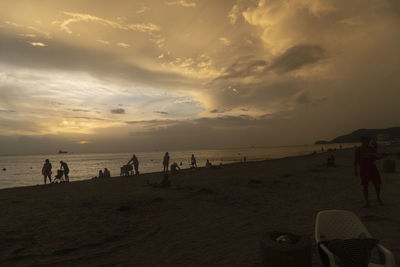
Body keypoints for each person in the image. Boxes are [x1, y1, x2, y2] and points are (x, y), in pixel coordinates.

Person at [354, 136, 386, 208]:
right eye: (366, 141)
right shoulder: (358, 150)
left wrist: (382, 156)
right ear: (362, 141)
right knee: (365, 186)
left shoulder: (371, 148)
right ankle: (367, 202)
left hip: (372, 167)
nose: (367, 142)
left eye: (368, 141)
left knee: (377, 184)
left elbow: (376, 157)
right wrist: (355, 170)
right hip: (364, 168)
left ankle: (378, 198)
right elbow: (356, 160)